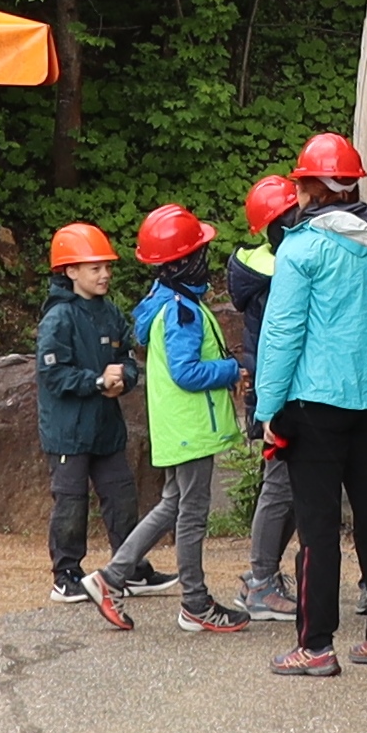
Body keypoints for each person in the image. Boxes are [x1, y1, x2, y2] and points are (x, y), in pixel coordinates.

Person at [249, 134, 367, 680]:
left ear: (313, 189)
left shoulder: (300, 251)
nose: (296, 193)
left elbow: (281, 334)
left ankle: (316, 645)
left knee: (318, 528)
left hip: (314, 405)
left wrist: (267, 408)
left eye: (300, 184)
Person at [96, 203, 252, 634]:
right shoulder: (182, 311)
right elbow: (186, 372)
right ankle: (196, 603)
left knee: (172, 505)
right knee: (190, 513)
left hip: (179, 430)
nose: (207, 257)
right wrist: (229, 371)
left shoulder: (165, 302)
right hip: (191, 431)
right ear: (184, 262)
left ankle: (110, 579)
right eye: (200, 250)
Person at [33, 223, 140, 624]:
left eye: (106, 267)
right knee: (71, 502)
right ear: (70, 272)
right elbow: (52, 375)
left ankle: (130, 566)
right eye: (94, 267)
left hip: (104, 427)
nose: (104, 274)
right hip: (68, 430)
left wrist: (123, 379)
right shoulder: (58, 318)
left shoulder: (110, 311)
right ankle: (66, 576)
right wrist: (97, 381)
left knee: (122, 495)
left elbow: (129, 358)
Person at [225, 172, 305, 622]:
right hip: (279, 394)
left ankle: (263, 576)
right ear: (277, 226)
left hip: (274, 392)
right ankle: (260, 581)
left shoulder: (265, 264)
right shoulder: (279, 270)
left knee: (288, 489)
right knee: (279, 488)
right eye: (292, 214)